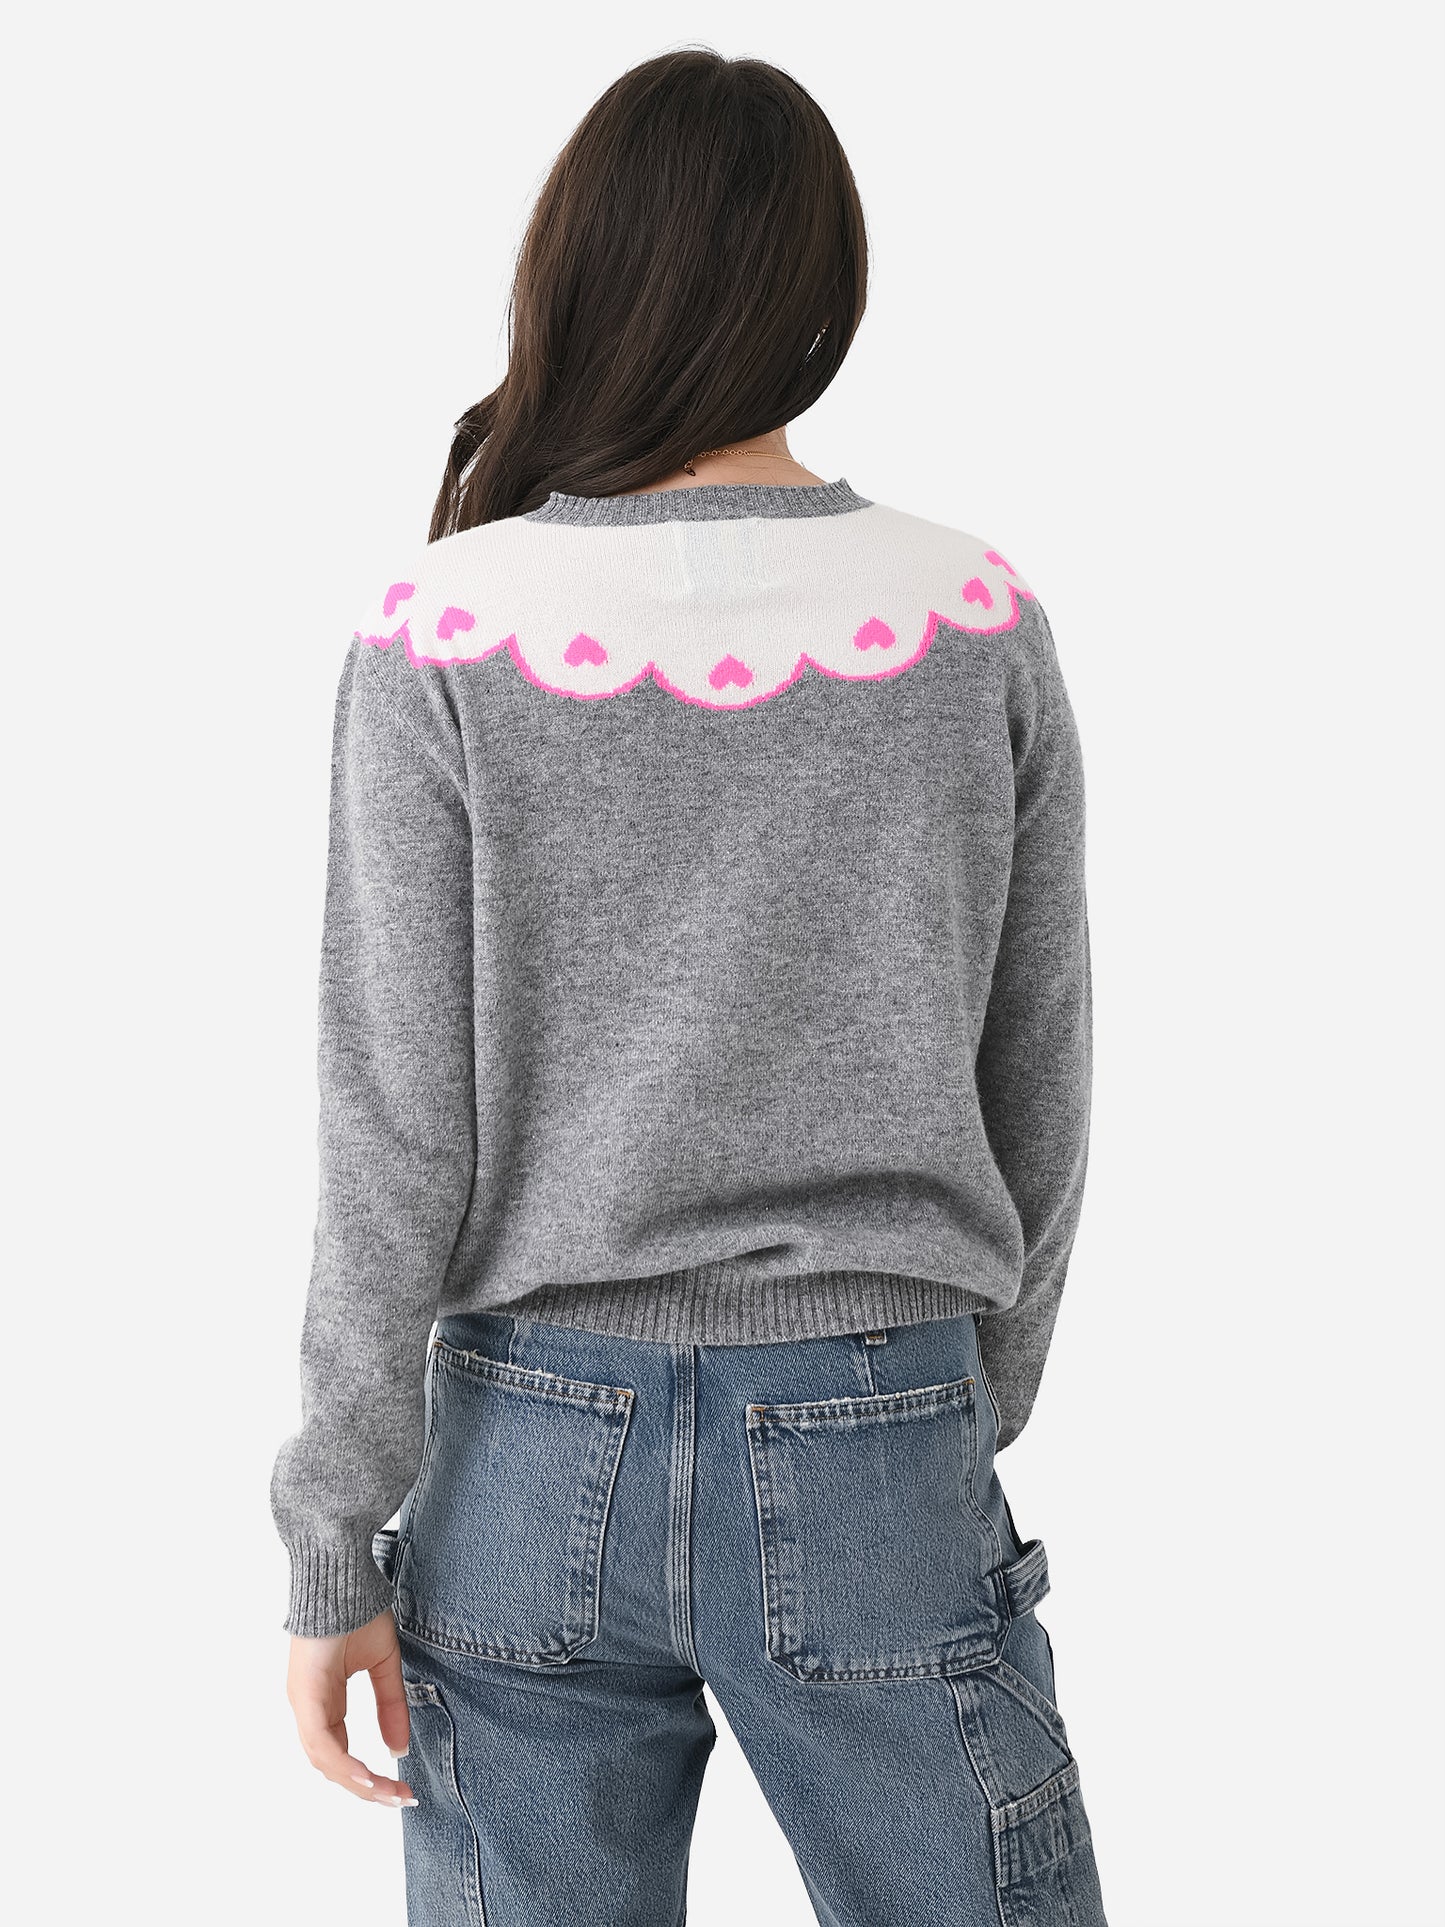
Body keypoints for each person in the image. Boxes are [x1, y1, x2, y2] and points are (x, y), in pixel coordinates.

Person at [270, 44, 1108, 1927]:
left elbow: (393, 1121)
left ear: (573, 270)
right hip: (877, 1403)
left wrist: (331, 1529)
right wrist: (956, 1407)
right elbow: (1038, 1078)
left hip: (524, 1442)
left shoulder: (445, 627)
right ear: (826, 285)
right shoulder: (969, 617)